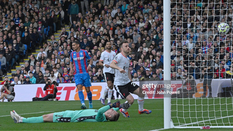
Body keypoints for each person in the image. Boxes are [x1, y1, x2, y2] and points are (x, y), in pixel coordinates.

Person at [110, 41, 152, 118]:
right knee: (131, 100)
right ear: (121, 48)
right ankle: (123, 110)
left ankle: (141, 110)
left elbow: (128, 70)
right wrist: (119, 68)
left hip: (127, 82)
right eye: (126, 46)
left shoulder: (127, 59)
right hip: (120, 84)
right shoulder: (119, 56)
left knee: (141, 93)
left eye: (128, 46)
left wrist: (131, 80)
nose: (128, 47)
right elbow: (112, 64)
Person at [10, 101, 121, 123]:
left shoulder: (101, 118)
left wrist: (111, 105)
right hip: (71, 113)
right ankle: (22, 119)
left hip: (69, 118)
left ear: (110, 115)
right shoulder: (109, 116)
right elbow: (116, 110)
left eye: (111, 111)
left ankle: (21, 120)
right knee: (45, 116)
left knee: (45, 118)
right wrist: (119, 107)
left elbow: (102, 110)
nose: (111, 110)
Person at [70, 41, 93, 109]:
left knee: (87, 89)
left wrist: (90, 65)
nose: (73, 46)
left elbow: (90, 59)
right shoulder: (72, 53)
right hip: (77, 74)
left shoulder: (84, 52)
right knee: (79, 87)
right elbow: (71, 62)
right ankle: (83, 104)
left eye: (74, 45)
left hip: (85, 73)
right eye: (72, 45)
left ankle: (90, 102)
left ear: (78, 45)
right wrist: (71, 68)